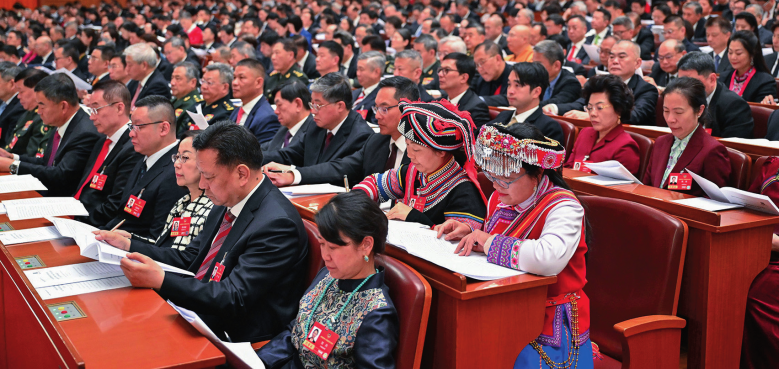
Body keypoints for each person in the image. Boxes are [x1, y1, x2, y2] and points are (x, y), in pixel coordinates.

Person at [94, 122, 309, 343]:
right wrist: (129, 246)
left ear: (242, 174)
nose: (203, 184)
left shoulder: (277, 224)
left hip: (235, 336)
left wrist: (162, 280)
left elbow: (234, 296)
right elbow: (191, 257)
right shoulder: (228, 198)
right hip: (199, 311)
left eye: (209, 176)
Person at [435, 123, 592, 368]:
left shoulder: (564, 207)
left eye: (507, 178)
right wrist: (471, 232)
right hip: (503, 304)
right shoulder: (499, 198)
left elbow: (547, 259)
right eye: (493, 176)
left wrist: (488, 241)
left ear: (537, 174)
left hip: (548, 319)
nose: (497, 185)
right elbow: (494, 241)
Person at [257, 192, 398, 369]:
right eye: (322, 244)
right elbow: (296, 331)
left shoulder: (376, 313)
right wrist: (257, 362)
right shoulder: (328, 275)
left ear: (366, 245)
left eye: (333, 247)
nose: (325, 256)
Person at [354, 100, 486, 228]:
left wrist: (413, 216)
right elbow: (376, 183)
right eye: (407, 145)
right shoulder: (413, 172)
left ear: (441, 152)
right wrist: (356, 198)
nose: (409, 154)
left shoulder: (464, 192)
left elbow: (455, 238)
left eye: (416, 149)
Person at [268, 77, 418, 187]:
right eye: (376, 108)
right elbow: (342, 167)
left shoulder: (422, 146)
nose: (377, 116)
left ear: (407, 108)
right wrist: (292, 174)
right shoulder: (377, 141)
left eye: (384, 109)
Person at [740, 101, 779, 368]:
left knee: (758, 297)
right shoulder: (772, 168)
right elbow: (747, 207)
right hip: (758, 251)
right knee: (717, 283)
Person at [0, 74, 102, 196]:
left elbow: (60, 175)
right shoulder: (61, 121)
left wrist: (12, 166)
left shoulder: (84, 133)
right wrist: (12, 157)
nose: (39, 112)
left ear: (63, 106)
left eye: (42, 106)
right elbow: (47, 162)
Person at [103, 95, 186, 239]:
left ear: (163, 128)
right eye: (132, 126)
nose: (131, 134)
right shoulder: (145, 157)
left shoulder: (176, 171)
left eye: (139, 127)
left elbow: (157, 238)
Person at [116, 130, 214, 249]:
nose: (176, 164)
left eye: (185, 157)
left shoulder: (211, 209)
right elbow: (162, 246)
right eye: (177, 157)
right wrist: (130, 238)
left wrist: (130, 245)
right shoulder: (182, 202)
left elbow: (184, 257)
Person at [263, 73, 374, 175]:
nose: (313, 111)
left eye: (318, 106)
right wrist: (254, 157)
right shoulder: (316, 126)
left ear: (340, 106)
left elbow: (334, 172)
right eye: (312, 104)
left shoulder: (360, 136)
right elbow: (290, 155)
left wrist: (294, 174)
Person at [642, 78, 731, 197]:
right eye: (666, 111)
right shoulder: (660, 142)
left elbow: (715, 200)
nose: (670, 119)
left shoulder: (712, 150)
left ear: (699, 110)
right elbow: (646, 188)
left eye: (678, 112)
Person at [75, 80, 143, 227]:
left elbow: (115, 205)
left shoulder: (133, 147)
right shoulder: (102, 140)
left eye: (96, 109)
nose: (91, 117)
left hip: (92, 225)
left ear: (119, 108)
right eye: (90, 110)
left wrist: (75, 219)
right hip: (76, 212)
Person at [567, 75, 640, 174]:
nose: (592, 113)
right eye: (590, 108)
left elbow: (621, 183)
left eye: (600, 108)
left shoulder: (625, 146)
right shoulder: (584, 133)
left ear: (618, 109)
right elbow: (567, 169)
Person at [677, 51, 754, 139]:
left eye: (691, 82)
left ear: (712, 79)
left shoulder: (735, 106)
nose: (685, 88)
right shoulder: (679, 99)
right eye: (681, 81)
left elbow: (732, 146)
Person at [491, 62, 565, 145]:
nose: (510, 91)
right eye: (509, 84)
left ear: (536, 92)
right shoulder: (503, 116)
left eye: (517, 85)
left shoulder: (549, 127)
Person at [230, 59, 280, 144]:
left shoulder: (267, 118)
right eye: (234, 77)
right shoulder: (236, 111)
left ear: (258, 82)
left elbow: (263, 151)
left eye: (241, 78)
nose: (234, 82)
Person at [176, 63, 235, 134]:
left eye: (209, 83)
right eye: (203, 81)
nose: (203, 86)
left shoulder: (227, 112)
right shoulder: (197, 106)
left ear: (224, 87)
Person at [4, 69, 52, 157]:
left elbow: (33, 157)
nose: (18, 96)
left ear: (37, 90)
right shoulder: (27, 113)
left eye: (21, 91)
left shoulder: (43, 117)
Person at [719, 31, 777, 103]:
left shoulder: (765, 82)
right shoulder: (724, 77)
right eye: (730, 52)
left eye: (738, 53)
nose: (733, 57)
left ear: (752, 54)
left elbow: (761, 109)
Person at [439, 53, 491, 129]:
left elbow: (475, 136)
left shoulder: (476, 108)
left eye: (447, 70)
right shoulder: (438, 102)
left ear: (464, 78)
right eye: (440, 70)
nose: (440, 74)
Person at [262, 82, 313, 153]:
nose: (276, 111)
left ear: (298, 104)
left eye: (279, 105)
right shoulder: (284, 129)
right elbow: (267, 147)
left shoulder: (313, 132)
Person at [531, 40, 581, 106]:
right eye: (533, 63)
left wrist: (527, 106)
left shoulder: (571, 83)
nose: (534, 67)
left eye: (538, 64)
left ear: (556, 65)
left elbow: (554, 103)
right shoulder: (533, 78)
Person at [264, 38, 310, 103]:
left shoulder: (298, 79)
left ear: (290, 55)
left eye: (277, 53)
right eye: (272, 53)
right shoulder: (273, 77)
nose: (273, 57)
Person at [473, 41, 512, 107]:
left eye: (482, 62)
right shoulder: (480, 80)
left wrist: (481, 100)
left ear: (497, 59)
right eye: (477, 65)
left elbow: (512, 98)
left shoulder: (515, 75)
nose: (479, 69)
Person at [351, 51, 386, 124]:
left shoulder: (382, 97)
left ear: (376, 72)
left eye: (361, 69)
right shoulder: (353, 93)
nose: (358, 73)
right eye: (357, 69)